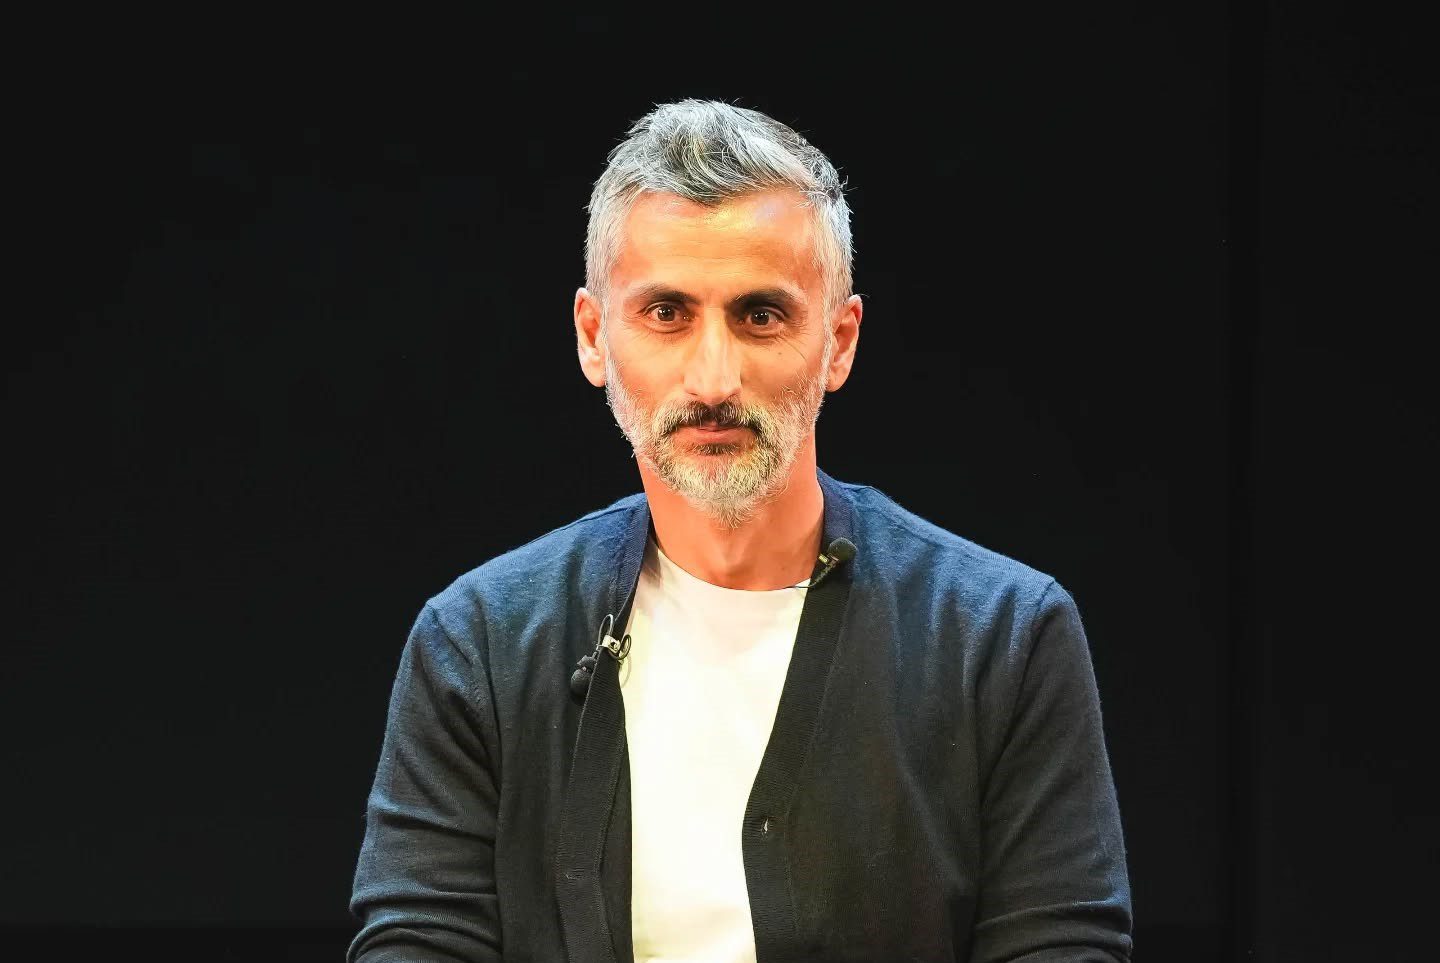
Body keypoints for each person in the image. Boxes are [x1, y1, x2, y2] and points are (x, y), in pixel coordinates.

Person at [347, 99, 1133, 963]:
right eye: (667, 313)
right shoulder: (478, 644)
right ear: (594, 336)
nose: (713, 378)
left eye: (760, 315)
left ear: (839, 342)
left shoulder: (1003, 638)